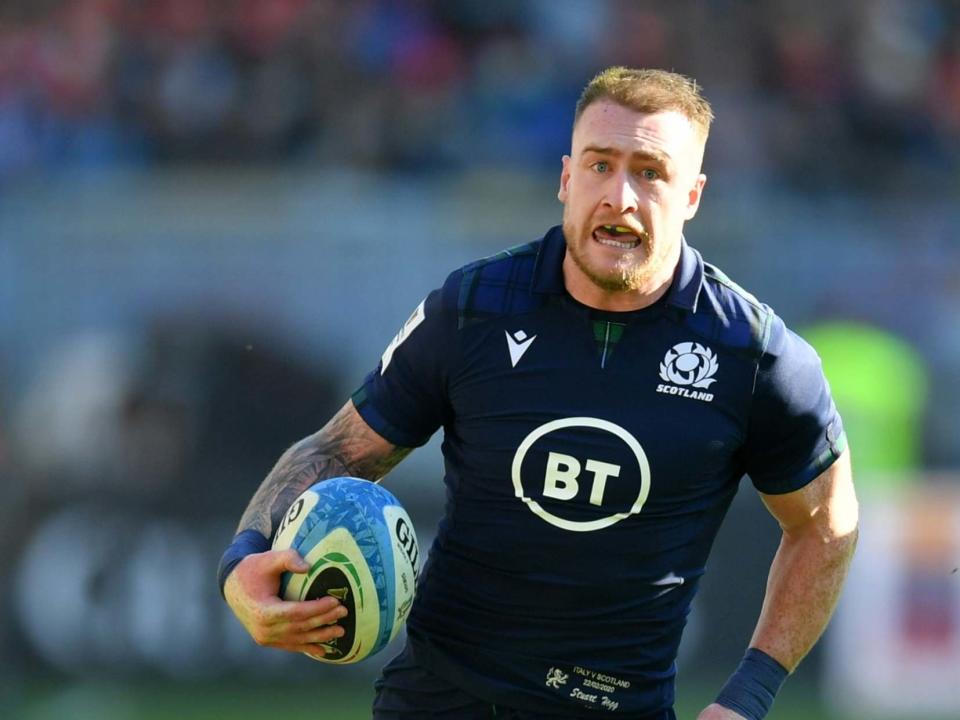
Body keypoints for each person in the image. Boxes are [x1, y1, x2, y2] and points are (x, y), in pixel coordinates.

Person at [219, 67, 859, 720]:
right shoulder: (473, 309)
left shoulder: (754, 355)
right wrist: (242, 561)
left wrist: (749, 696)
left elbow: (826, 525)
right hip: (439, 701)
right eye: (600, 165)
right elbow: (337, 450)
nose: (621, 196)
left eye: (650, 172)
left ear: (691, 195)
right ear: (565, 179)